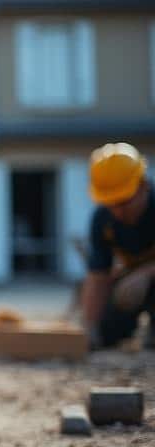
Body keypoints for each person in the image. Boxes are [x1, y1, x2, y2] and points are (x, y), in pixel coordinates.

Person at [81, 142, 155, 350]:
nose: (118, 211)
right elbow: (97, 276)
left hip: (145, 281)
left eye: (123, 202)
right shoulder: (103, 220)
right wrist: (90, 326)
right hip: (134, 285)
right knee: (106, 331)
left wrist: (147, 273)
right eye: (110, 203)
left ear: (143, 186)